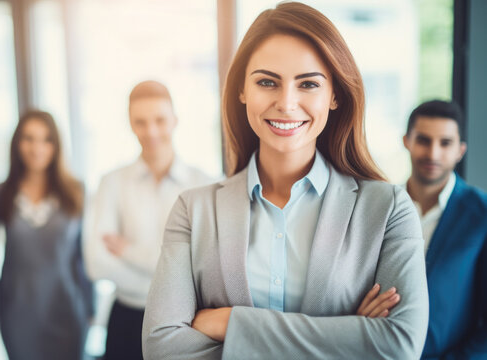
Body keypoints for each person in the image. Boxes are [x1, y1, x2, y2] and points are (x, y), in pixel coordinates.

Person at [142, 3, 429, 359]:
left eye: (308, 84)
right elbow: (161, 348)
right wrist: (346, 336)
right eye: (267, 82)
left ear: (335, 94)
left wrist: (234, 324)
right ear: (242, 91)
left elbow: (399, 345)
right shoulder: (193, 210)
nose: (287, 103)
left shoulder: (388, 210)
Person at [84, 80, 212, 360]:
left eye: (159, 120)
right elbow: (97, 263)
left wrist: (128, 251)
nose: (151, 131)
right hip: (127, 319)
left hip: (185, 322)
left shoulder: (203, 186)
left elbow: (204, 264)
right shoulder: (111, 183)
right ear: (130, 124)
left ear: (175, 120)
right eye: (140, 122)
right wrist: (174, 268)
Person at [0, 110, 92, 360]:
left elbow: (84, 256)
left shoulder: (76, 191)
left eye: (46, 139)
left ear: (56, 145)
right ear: (16, 143)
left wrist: (91, 307)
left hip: (66, 308)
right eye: (28, 139)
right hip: (17, 312)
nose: (37, 148)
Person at [402, 100, 487, 359]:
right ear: (406, 141)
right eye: (424, 140)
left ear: (461, 149)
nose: (433, 154)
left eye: (445, 143)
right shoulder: (381, 207)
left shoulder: (482, 215)